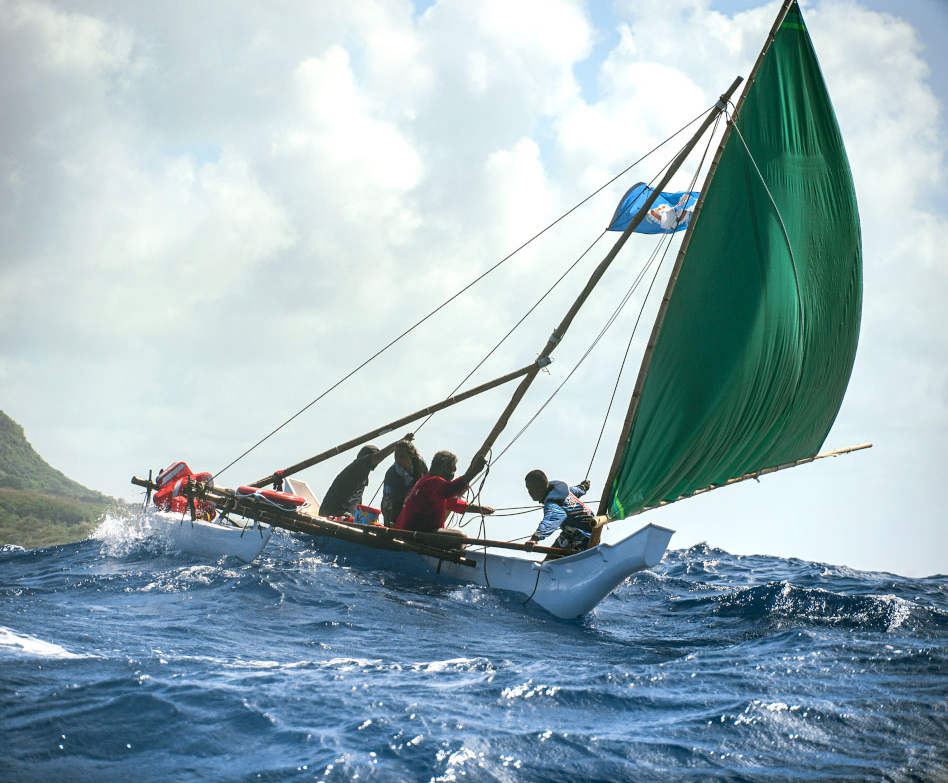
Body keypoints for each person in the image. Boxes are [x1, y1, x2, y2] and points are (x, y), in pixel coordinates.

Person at [395, 450, 494, 533]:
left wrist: (481, 509)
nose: (452, 474)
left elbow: (454, 503)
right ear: (441, 467)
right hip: (416, 533)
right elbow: (453, 488)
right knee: (460, 537)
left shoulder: (426, 482)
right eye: (452, 469)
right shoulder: (433, 482)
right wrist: (474, 472)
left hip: (409, 531)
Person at [320, 433, 413, 518]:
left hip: (345, 516)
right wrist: (401, 443)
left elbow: (356, 504)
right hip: (332, 514)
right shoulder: (357, 466)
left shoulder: (362, 477)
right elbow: (380, 455)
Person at [523, 470, 595, 553]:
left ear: (540, 487)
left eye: (531, 488)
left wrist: (535, 538)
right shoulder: (565, 492)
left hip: (585, 538)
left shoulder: (552, 504)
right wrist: (583, 487)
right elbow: (577, 490)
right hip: (575, 533)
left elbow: (552, 519)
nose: (529, 492)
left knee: (551, 563)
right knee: (557, 548)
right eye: (528, 488)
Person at [380, 440, 428, 527]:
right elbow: (387, 502)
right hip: (396, 509)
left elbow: (428, 484)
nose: (398, 460)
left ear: (411, 455)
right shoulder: (392, 474)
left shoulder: (420, 464)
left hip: (416, 507)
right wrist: (389, 524)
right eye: (396, 456)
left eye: (402, 456)